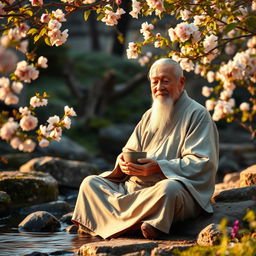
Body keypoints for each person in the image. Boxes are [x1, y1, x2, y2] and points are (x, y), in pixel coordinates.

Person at [72, 58, 219, 239]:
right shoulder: (149, 115)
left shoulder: (197, 114)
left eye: (165, 81)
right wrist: (123, 164)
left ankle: (117, 223)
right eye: (155, 82)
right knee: (90, 183)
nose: (159, 87)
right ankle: (139, 224)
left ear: (181, 82)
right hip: (137, 189)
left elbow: (201, 163)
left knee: (169, 189)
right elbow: (129, 151)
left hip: (172, 191)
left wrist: (158, 167)